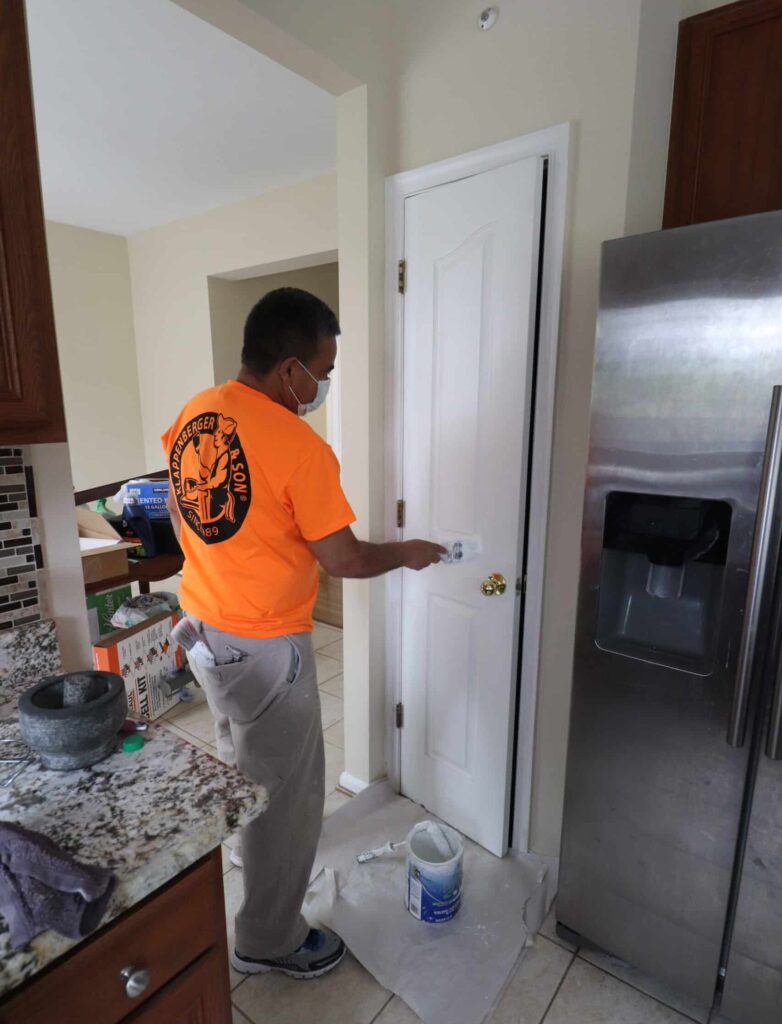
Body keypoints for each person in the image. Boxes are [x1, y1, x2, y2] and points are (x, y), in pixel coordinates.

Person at [162, 287, 445, 980]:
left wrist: (216, 564)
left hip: (203, 626)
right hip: (262, 647)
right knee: (290, 797)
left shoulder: (197, 410)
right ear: (290, 369)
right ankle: (268, 937)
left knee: (240, 755)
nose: (324, 384)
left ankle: (242, 849)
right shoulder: (298, 446)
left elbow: (178, 501)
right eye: (324, 370)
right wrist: (405, 551)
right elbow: (344, 558)